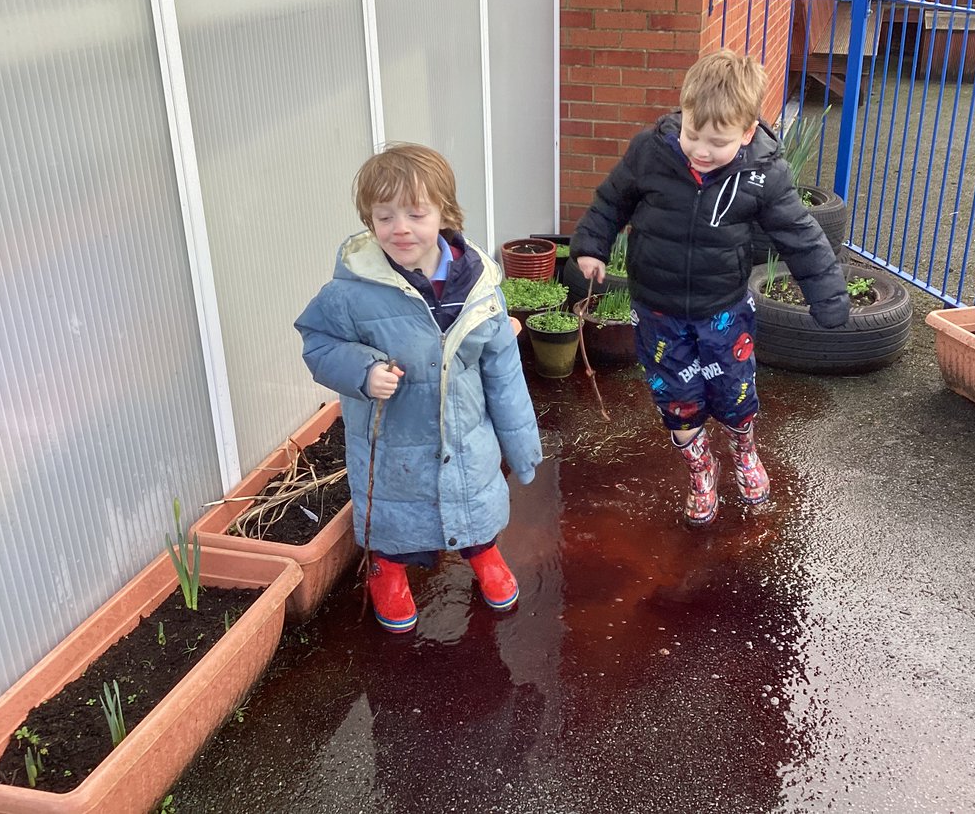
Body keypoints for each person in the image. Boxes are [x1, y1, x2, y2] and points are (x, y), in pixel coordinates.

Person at [570, 49, 850, 528]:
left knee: (734, 394)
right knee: (677, 400)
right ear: (683, 114)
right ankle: (701, 467)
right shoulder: (651, 152)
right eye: (692, 134)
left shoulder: (762, 175)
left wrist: (827, 295)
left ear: (746, 134)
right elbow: (611, 198)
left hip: (723, 310)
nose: (700, 150)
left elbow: (801, 236)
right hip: (656, 309)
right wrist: (591, 245)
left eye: (716, 142)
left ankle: (744, 448)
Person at [295, 143, 543, 633]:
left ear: (444, 214)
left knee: (472, 499)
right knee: (394, 512)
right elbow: (318, 341)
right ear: (369, 221)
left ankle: (484, 552)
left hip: (467, 431)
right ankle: (387, 569)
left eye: (415, 213)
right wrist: (363, 371)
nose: (400, 228)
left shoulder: (479, 286)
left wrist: (522, 446)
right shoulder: (350, 291)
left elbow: (504, 369)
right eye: (384, 216)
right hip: (392, 443)